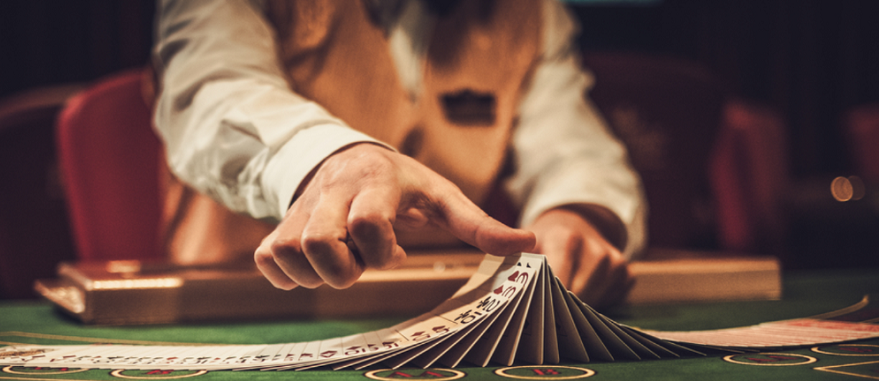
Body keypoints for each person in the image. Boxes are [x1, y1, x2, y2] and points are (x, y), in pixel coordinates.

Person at [153, 0, 646, 308]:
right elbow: (210, 91)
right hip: (238, 307)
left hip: (441, 316)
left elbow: (575, 149)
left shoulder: (532, 10)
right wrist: (335, 160)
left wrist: (575, 214)